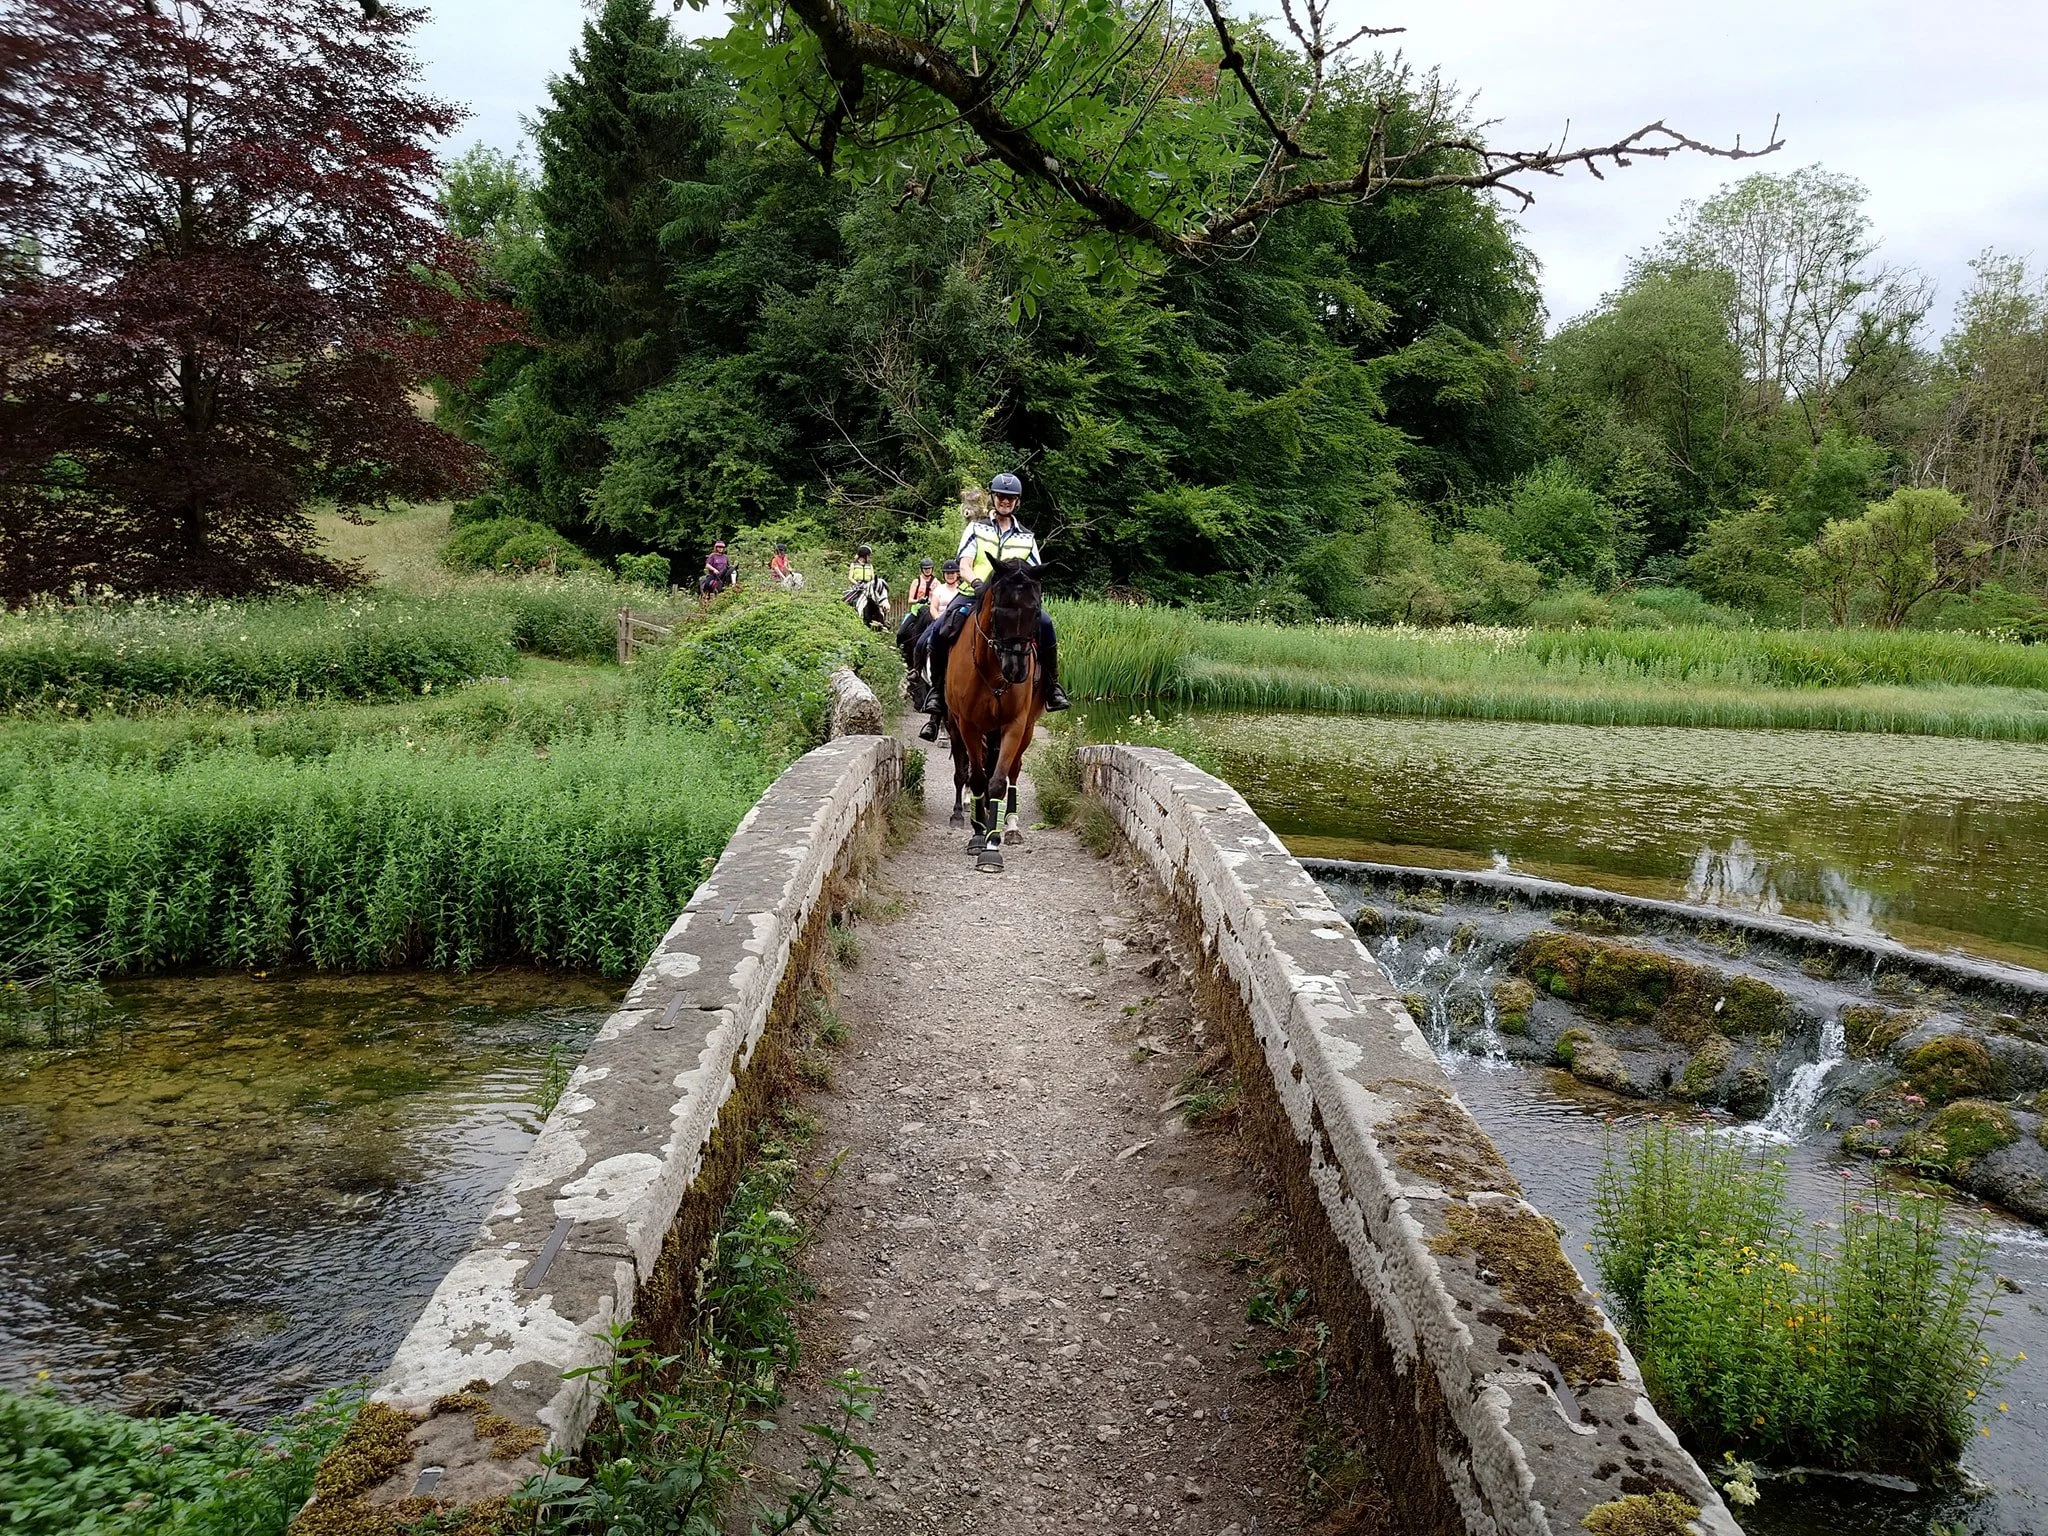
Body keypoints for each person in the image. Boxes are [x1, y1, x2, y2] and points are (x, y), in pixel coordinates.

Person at [918, 472, 1068, 741]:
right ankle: (938, 697)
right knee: (939, 632)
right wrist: (976, 582)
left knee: (1046, 625)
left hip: (1012, 603)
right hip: (974, 594)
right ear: (993, 498)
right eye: (1001, 496)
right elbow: (964, 563)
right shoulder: (976, 528)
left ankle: (1052, 689)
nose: (1005, 501)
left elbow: (1034, 571)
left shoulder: (1027, 537)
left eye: (1011, 498)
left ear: (1017, 502)